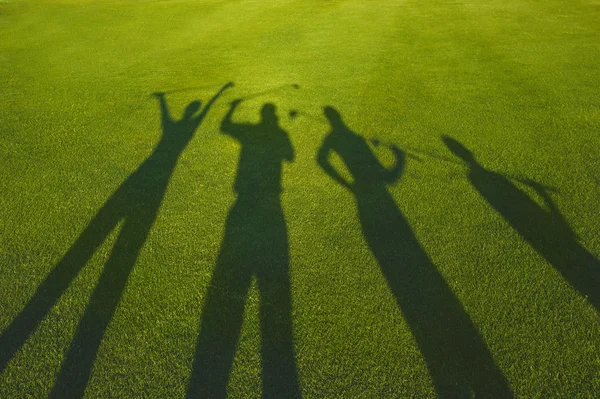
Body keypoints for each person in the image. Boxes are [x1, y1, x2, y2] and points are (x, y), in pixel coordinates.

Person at [188, 100, 300, 399]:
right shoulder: (276, 134)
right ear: (274, 116)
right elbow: (290, 157)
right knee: (274, 284)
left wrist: (232, 107)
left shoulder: (249, 132)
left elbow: (224, 125)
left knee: (228, 276)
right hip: (271, 205)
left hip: (243, 203)